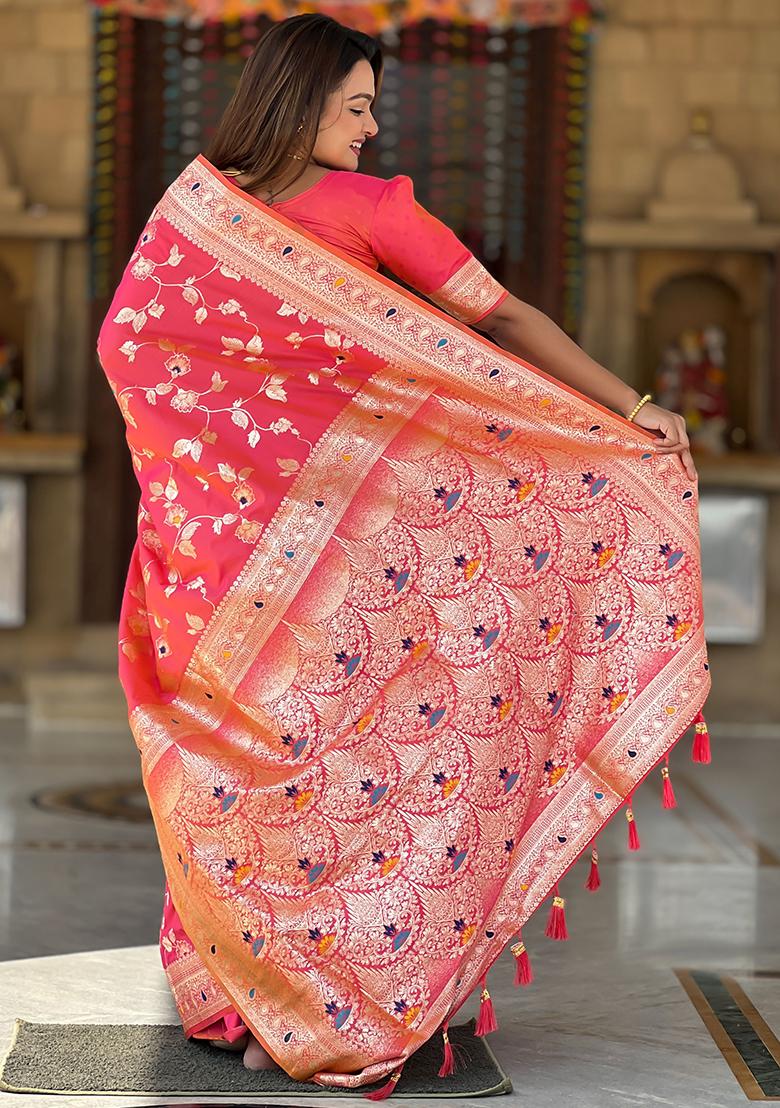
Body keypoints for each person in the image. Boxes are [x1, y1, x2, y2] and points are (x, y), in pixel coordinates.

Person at [98, 13, 710, 1097]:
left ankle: (282, 1005)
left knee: (275, 777)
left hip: (257, 560)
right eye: (358, 106)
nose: (375, 130)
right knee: (306, 773)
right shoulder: (222, 212)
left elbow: (135, 347)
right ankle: (288, 1002)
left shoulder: (207, 212)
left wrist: (623, 418)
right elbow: (506, 318)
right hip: (259, 558)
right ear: (302, 102)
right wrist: (634, 402)